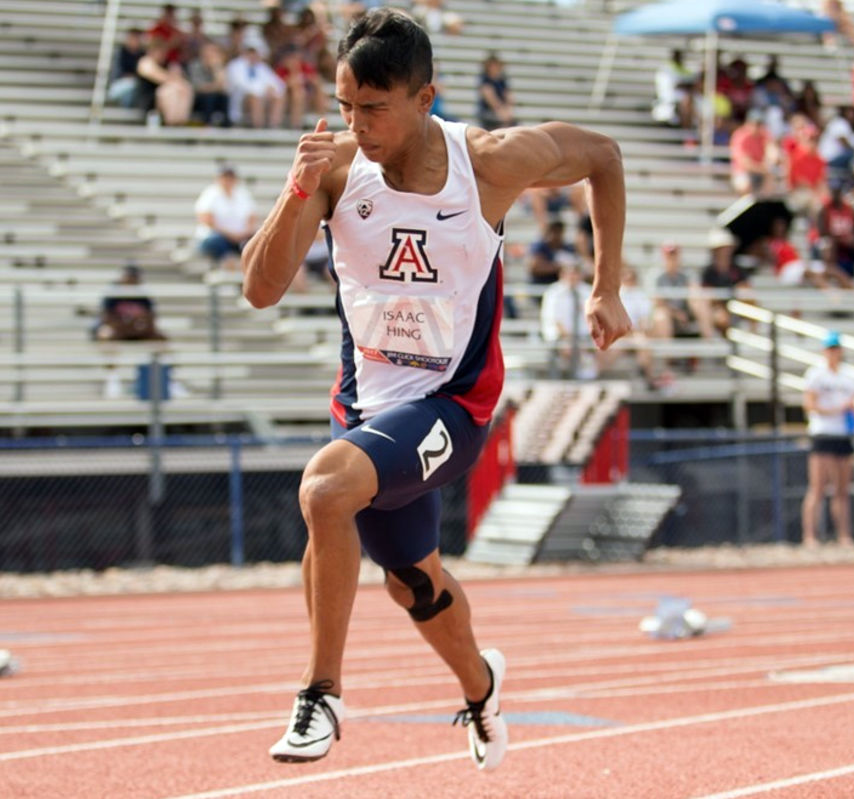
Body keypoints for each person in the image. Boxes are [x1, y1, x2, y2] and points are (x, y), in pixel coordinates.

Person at [240, 8, 630, 770]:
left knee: (324, 489)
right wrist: (298, 188)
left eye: (375, 109)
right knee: (414, 583)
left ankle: (321, 693)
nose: (359, 125)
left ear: (425, 99)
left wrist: (605, 286)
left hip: (454, 407)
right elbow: (261, 290)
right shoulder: (332, 169)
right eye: (347, 105)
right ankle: (482, 686)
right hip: (368, 411)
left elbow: (605, 156)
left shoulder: (485, 162)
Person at [801, 332, 854, 548]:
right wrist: (835, 409)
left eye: (836, 348)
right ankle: (810, 536)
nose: (834, 352)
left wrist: (851, 413)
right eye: (830, 348)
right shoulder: (816, 374)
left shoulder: (848, 375)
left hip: (842, 434)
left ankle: (844, 536)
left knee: (842, 489)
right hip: (823, 434)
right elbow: (809, 404)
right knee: (817, 488)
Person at [195, 165, 258, 268]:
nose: (227, 181)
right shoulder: (210, 194)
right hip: (218, 237)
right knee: (215, 242)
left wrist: (244, 233)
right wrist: (231, 234)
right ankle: (228, 261)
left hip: (240, 237)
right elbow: (207, 220)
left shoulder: (243, 194)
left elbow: (252, 217)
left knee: (256, 241)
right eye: (225, 177)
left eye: (230, 178)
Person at [94, 263, 167, 341]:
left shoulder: (143, 297)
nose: (130, 282)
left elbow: (150, 319)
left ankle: (156, 353)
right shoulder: (112, 295)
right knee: (106, 334)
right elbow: (106, 318)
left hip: (136, 329)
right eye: (129, 278)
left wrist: (137, 327)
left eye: (133, 278)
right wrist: (126, 326)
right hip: (117, 329)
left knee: (159, 338)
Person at [226, 46, 287, 128]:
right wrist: (263, 90)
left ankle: (274, 126)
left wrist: (272, 89)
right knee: (254, 98)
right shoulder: (235, 66)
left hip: (263, 97)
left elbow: (278, 83)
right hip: (244, 99)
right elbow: (240, 85)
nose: (253, 56)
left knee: (278, 98)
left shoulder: (262, 67)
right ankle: (258, 127)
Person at [729, 109, 774, 196]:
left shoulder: (764, 134)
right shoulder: (740, 136)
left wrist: (769, 162)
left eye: (759, 124)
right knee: (745, 185)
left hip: (761, 171)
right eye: (755, 123)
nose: (757, 127)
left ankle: (763, 206)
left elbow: (771, 151)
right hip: (743, 171)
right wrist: (762, 169)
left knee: (770, 180)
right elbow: (744, 162)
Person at [188, 42, 231, 127]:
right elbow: (199, 87)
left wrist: (216, 68)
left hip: (215, 97)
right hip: (199, 99)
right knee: (209, 97)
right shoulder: (195, 65)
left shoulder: (218, 66)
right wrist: (215, 87)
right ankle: (207, 125)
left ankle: (226, 125)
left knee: (224, 97)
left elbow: (223, 87)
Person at [653, 48, 695, 128]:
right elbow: (676, 85)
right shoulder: (666, 70)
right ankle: (687, 129)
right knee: (687, 101)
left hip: (677, 101)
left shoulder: (683, 70)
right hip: (670, 101)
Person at [476, 53, 515, 131]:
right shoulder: (485, 79)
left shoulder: (501, 80)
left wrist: (508, 109)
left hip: (501, 111)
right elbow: (490, 98)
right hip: (488, 112)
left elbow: (508, 95)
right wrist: (500, 111)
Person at [108, 28, 145, 108]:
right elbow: (116, 73)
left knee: (133, 88)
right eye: (133, 38)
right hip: (120, 84)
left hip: (135, 85)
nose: (135, 41)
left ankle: (126, 109)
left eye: (137, 38)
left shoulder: (143, 55)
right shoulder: (121, 53)